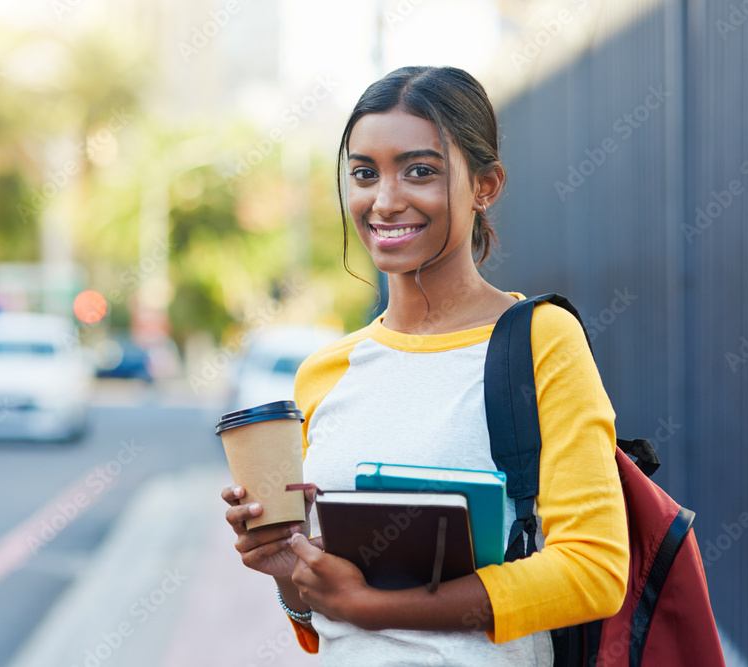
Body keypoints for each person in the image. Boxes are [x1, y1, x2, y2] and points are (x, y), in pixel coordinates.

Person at [222, 65, 629, 665]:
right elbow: (319, 623)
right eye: (364, 173)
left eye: (420, 171)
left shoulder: (540, 341)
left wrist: (378, 606)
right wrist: (289, 569)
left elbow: (593, 569)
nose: (385, 201)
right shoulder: (325, 372)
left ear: (485, 185)